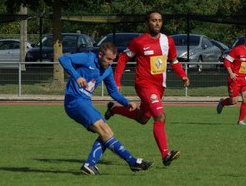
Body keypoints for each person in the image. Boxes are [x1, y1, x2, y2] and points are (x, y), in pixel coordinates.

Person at [104, 10, 190, 166]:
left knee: (142, 119)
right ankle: (165, 155)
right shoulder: (139, 42)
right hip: (144, 85)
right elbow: (123, 58)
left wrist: (183, 75)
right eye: (153, 20)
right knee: (160, 116)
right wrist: (117, 81)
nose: (157, 23)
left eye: (159, 20)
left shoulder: (168, 41)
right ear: (147, 23)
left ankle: (113, 109)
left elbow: (174, 60)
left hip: (159, 87)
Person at [59, 42, 154, 176]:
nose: (110, 63)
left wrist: (126, 102)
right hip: (74, 101)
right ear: (100, 55)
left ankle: (90, 165)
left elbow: (113, 92)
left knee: (107, 133)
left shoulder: (107, 70)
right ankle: (132, 161)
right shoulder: (87, 58)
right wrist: (76, 76)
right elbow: (63, 59)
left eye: (112, 60)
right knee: (105, 131)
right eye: (108, 59)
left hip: (85, 103)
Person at [216, 29, 246, 125]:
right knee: (233, 101)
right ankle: (222, 102)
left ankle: (240, 121)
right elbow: (226, 61)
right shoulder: (237, 49)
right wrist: (231, 73)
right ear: (245, 39)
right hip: (234, 79)